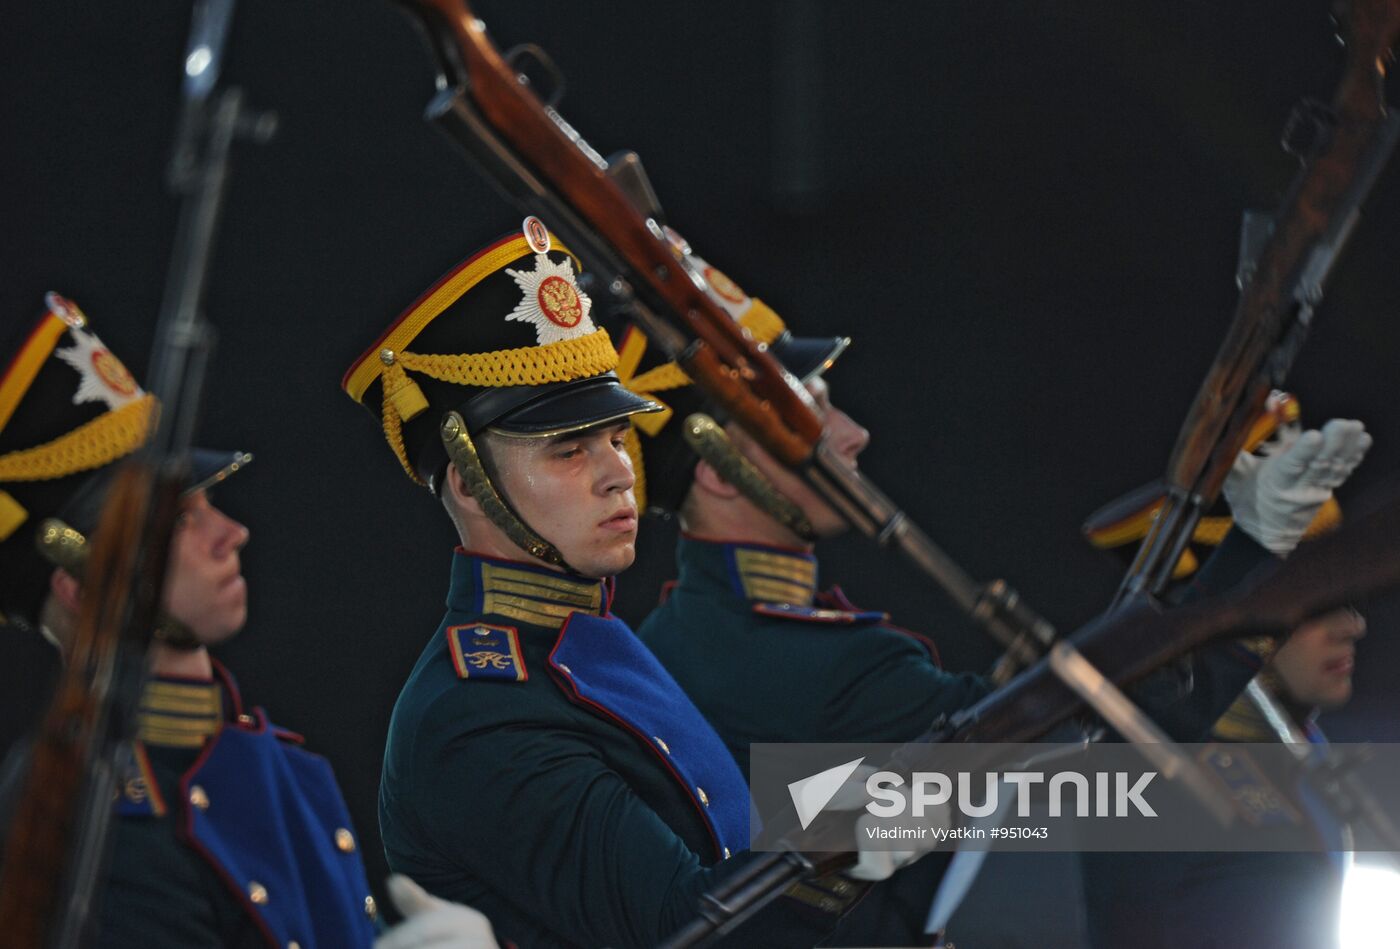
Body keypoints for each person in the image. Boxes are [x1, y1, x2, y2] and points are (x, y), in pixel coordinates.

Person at [617, 253, 1371, 944]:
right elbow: (1099, 750)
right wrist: (1247, 563)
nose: (850, 433)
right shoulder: (800, 660)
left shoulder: (680, 639)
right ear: (716, 471)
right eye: (807, 409)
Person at [343, 222, 894, 949]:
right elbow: (687, 924)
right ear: (469, 486)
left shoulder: (585, 646)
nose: (617, 470)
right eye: (569, 449)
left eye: (612, 436)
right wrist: (890, 802)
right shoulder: (478, 711)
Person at [0, 295, 497, 949]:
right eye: (179, 520)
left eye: (210, 505)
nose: (231, 533)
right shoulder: (84, 810)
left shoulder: (271, 761)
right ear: (77, 581)